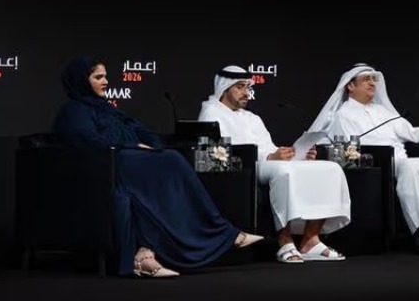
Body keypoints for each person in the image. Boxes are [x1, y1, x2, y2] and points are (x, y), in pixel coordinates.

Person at [52, 56, 263, 278]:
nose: (105, 81)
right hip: (109, 168)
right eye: (98, 77)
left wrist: (154, 144)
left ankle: (148, 254)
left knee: (166, 164)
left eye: (105, 76)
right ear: (82, 81)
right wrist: (133, 145)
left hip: (133, 166)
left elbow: (141, 130)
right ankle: (225, 233)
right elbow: (88, 143)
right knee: (171, 159)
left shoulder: (109, 109)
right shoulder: (73, 111)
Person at [308, 63, 419, 256]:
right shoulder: (342, 115)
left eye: (374, 79)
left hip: (402, 161)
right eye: (366, 80)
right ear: (350, 86)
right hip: (378, 164)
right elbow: (351, 150)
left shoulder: (384, 112)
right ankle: (417, 235)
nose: (372, 83)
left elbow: (414, 132)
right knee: (408, 167)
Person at [198, 66, 351, 263]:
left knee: (330, 168)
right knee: (283, 171)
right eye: (240, 87)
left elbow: (269, 147)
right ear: (223, 88)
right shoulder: (211, 113)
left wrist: (297, 155)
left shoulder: (252, 118)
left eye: (248, 87)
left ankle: (311, 240)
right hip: (245, 167)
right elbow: (222, 152)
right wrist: (271, 157)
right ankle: (285, 241)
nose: (246, 93)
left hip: (267, 162)